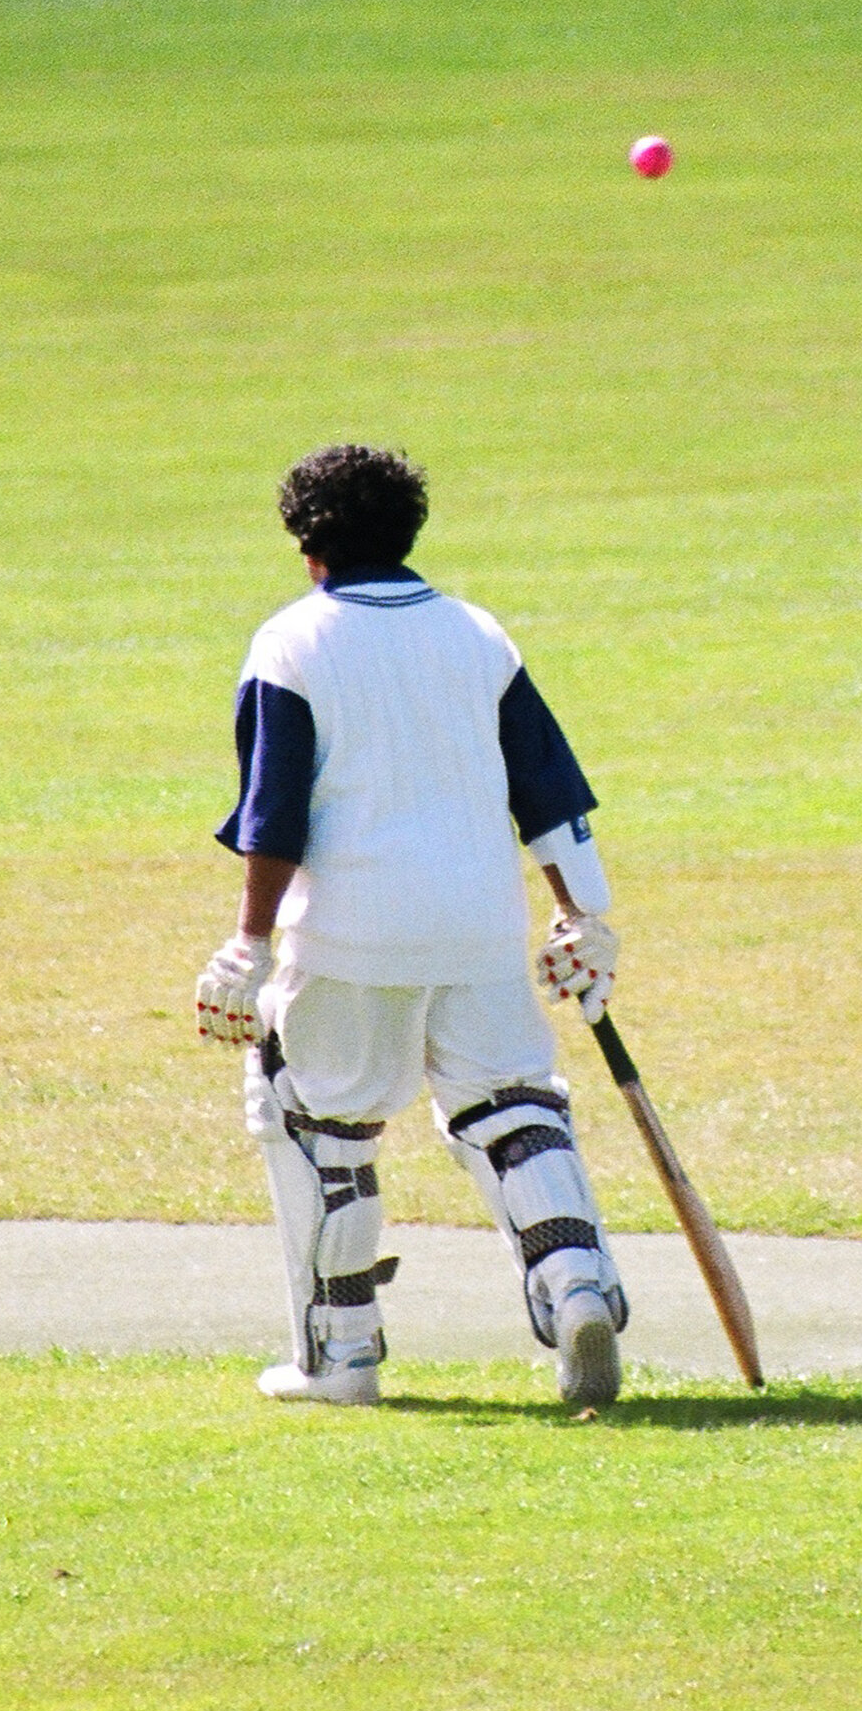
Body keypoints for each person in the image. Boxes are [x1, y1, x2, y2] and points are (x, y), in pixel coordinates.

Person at [192, 442, 631, 1409]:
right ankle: (576, 1284)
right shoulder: (477, 634)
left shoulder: (291, 642)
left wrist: (248, 944)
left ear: (308, 544)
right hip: (476, 925)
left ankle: (338, 1358)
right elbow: (549, 790)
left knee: (313, 1121)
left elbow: (275, 815)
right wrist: (581, 914)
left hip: (347, 935)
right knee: (512, 1103)